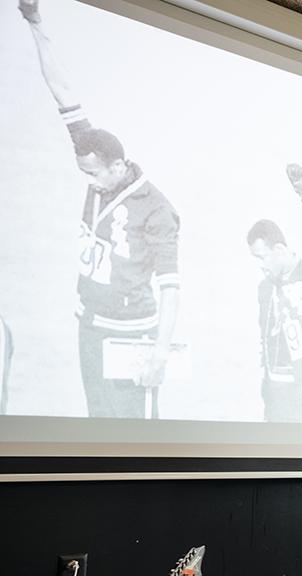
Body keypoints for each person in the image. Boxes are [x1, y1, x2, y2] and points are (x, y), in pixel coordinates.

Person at [20, 0, 180, 418]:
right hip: (89, 325)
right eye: (84, 174)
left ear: (118, 166)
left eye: (94, 175)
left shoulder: (157, 210)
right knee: (98, 422)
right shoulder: (93, 154)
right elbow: (62, 90)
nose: (89, 182)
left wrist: (161, 351)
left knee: (135, 433)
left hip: (132, 334)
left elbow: (170, 287)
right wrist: (36, 23)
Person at [247, 163, 302, 423]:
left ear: (279, 250)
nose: (260, 266)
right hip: (275, 395)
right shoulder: (264, 289)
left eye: (261, 257)